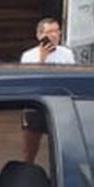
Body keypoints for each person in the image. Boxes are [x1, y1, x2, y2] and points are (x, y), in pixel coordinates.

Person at [17, 18, 75, 163]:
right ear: (39, 35)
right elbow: (29, 81)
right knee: (29, 150)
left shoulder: (66, 54)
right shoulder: (29, 56)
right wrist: (42, 58)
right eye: (50, 32)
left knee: (63, 147)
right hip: (36, 105)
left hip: (60, 104)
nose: (54, 35)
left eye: (57, 31)